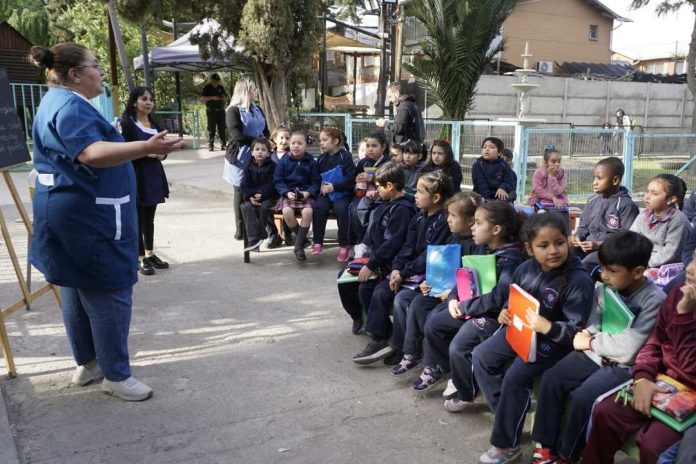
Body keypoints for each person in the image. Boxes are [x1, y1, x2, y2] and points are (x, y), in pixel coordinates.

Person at [28, 43, 182, 401]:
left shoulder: (60, 101)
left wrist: (143, 148)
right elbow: (91, 153)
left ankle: (90, 364)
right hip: (91, 217)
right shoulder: (68, 106)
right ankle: (116, 374)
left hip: (74, 213)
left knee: (76, 288)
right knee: (109, 292)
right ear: (74, 75)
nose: (99, 72)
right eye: (94, 66)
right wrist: (145, 148)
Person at [531, 231, 665, 464]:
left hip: (623, 366)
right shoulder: (605, 287)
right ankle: (545, 445)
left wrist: (591, 341)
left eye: (612, 271)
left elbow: (631, 348)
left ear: (637, 272)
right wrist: (589, 334)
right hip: (596, 352)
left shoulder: (654, 300)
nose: (604, 275)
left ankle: (568, 455)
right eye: (602, 268)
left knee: (584, 397)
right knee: (553, 378)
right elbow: (594, 321)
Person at [473, 213, 594, 463]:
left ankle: (506, 445)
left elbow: (576, 330)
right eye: (543, 245)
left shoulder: (577, 280)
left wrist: (548, 327)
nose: (554, 250)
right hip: (519, 330)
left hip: (553, 341)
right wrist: (506, 311)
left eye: (559, 242)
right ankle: (508, 414)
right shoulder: (524, 268)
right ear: (529, 248)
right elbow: (514, 296)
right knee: (481, 355)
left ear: (568, 240)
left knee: (515, 377)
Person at [582, 253, 696, 464]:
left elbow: (690, 368)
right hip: (662, 381)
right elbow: (654, 343)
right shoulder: (679, 294)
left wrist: (683, 317)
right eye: (694, 258)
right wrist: (643, 378)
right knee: (605, 412)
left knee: (654, 444)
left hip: (690, 395)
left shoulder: (684, 303)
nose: (690, 268)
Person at [421, 201, 526, 402]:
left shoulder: (510, 260)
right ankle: (456, 376)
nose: (472, 227)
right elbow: (464, 276)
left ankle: (466, 392)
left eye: (478, 223)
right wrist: (453, 298)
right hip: (473, 307)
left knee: (458, 347)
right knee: (434, 325)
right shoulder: (484, 249)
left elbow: (498, 299)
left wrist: (463, 306)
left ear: (496, 229)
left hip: (493, 315)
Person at [352, 172, 453, 365]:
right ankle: (381, 338)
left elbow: (429, 256)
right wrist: (397, 269)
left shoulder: (443, 222)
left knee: (394, 296)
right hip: (410, 270)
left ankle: (397, 346)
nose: (414, 194)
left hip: (427, 274)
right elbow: (407, 247)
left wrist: (403, 272)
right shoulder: (419, 217)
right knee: (373, 288)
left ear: (436, 198)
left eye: (420, 192)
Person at [387, 191, 481, 370]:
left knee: (430, 316)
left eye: (453, 216)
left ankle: (433, 365)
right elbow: (440, 266)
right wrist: (427, 281)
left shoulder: (477, 245)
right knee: (411, 302)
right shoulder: (452, 237)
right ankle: (412, 353)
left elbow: (473, 280)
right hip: (440, 291)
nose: (448, 220)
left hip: (457, 298)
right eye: (448, 215)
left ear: (470, 221)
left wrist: (451, 294)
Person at [337, 162, 416, 335]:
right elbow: (370, 227)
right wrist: (363, 250)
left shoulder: (401, 209)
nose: (377, 190)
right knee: (343, 279)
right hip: (374, 256)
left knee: (366, 288)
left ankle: (383, 333)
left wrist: (371, 265)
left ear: (390, 186)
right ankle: (358, 317)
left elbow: (391, 243)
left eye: (379, 186)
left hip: (387, 263)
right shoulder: (384, 202)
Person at [120, 87, 171, 276]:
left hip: (154, 174)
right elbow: (124, 152)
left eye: (151, 99)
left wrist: (163, 154)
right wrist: (148, 152)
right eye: (144, 99)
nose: (149, 102)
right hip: (137, 174)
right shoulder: (127, 125)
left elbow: (162, 149)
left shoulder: (154, 124)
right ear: (134, 102)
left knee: (150, 217)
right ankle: (140, 257)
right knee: (137, 217)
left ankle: (150, 254)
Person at [570, 157, 639, 274]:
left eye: (599, 178)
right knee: (564, 255)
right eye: (594, 178)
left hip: (610, 251)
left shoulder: (626, 205)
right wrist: (578, 237)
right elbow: (583, 226)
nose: (594, 182)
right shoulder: (592, 200)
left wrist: (598, 245)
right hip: (587, 245)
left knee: (585, 265)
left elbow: (626, 239)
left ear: (615, 180)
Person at [223, 79, 270, 241]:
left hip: (259, 155)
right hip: (240, 156)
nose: (257, 92)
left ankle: (260, 227)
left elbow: (266, 130)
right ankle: (240, 228)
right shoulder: (233, 111)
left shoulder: (258, 109)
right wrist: (258, 143)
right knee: (240, 191)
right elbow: (237, 135)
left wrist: (267, 143)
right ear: (246, 91)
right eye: (254, 89)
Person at [273, 131, 321, 261]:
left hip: (305, 194)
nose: (296, 146)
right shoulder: (284, 161)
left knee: (308, 212)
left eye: (300, 143)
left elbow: (316, 182)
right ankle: (303, 240)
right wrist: (286, 192)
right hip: (288, 194)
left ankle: (298, 246)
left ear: (306, 146)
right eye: (293, 143)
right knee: (287, 212)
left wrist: (308, 193)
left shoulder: (311, 162)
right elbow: (278, 180)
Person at [313, 127, 356, 261]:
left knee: (341, 209)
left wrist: (335, 187)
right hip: (326, 193)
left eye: (325, 140)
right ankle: (317, 241)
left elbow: (350, 178)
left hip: (342, 193)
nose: (321, 143)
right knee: (319, 207)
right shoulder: (321, 158)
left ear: (336, 141)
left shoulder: (346, 156)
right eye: (320, 140)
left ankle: (344, 245)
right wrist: (320, 186)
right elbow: (316, 177)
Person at [630, 174, 689, 269]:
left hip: (666, 267)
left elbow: (669, 253)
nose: (647, 197)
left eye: (654, 194)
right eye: (647, 191)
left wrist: (645, 264)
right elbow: (632, 238)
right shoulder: (644, 216)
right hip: (642, 262)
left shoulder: (678, 221)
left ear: (671, 199)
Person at [349, 132, 390, 249]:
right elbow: (354, 179)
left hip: (381, 196)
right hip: (363, 194)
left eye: (374, 146)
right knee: (354, 210)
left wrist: (372, 178)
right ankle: (361, 241)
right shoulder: (363, 162)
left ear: (383, 147)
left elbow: (389, 181)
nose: (370, 149)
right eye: (368, 146)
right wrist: (357, 181)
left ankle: (373, 243)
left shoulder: (388, 162)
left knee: (375, 215)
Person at [241, 138, 279, 252]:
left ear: (268, 153)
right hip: (253, 197)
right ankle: (253, 240)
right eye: (257, 149)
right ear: (252, 152)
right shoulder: (248, 167)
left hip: (269, 197)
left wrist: (261, 194)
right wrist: (251, 196)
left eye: (263, 150)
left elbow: (273, 184)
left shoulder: (273, 166)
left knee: (263, 207)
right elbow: (244, 185)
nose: (260, 152)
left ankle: (262, 234)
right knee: (247, 207)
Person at [472, 137, 517, 203]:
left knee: (512, 194)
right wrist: (488, 200)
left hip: (500, 196)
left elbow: (509, 182)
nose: (487, 149)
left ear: (499, 152)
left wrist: (502, 188)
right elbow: (480, 184)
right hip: (483, 197)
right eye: (484, 147)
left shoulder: (504, 165)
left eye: (491, 147)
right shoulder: (478, 165)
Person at [199, 73, 227, 151]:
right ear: (211, 80)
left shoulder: (221, 87)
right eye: (214, 81)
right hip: (211, 111)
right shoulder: (207, 88)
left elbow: (225, 97)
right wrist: (212, 98)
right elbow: (202, 98)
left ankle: (223, 144)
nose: (216, 83)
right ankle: (211, 145)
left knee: (222, 128)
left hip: (221, 110)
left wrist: (223, 98)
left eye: (217, 81)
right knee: (211, 129)